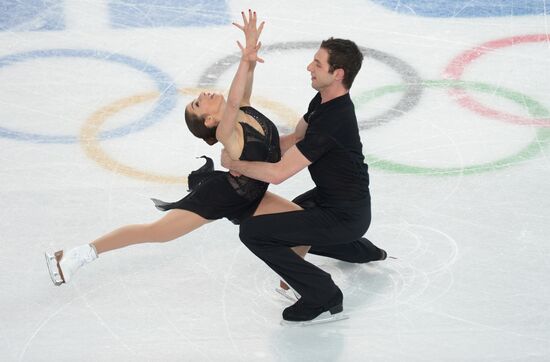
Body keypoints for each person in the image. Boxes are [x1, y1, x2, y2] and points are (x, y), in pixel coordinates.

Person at [45, 10, 306, 286]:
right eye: (197, 103)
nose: (202, 95)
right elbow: (230, 103)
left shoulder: (244, 108)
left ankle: (291, 284)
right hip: (220, 197)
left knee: (303, 225)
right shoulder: (226, 131)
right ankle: (76, 256)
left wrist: (251, 53)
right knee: (157, 232)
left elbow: (244, 84)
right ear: (209, 120)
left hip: (251, 197)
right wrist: (243, 60)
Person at [221, 37, 387, 324]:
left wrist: (236, 164)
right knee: (291, 217)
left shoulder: (333, 121)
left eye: (318, 63)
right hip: (337, 204)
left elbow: (279, 174)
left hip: (345, 215)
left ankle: (323, 295)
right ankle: (360, 250)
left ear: (338, 74)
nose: (309, 67)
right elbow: (295, 139)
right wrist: (249, 153)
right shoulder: (324, 101)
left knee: (254, 231)